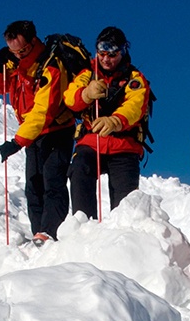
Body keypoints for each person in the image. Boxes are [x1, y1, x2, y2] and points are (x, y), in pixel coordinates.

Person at [0, 20, 75, 244]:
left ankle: (50, 232)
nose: (17, 55)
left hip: (56, 130)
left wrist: (16, 142)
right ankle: (38, 232)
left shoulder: (51, 66)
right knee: (33, 186)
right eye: (13, 51)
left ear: (33, 41)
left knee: (52, 182)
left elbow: (42, 111)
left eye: (22, 50)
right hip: (33, 133)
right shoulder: (16, 64)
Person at [63, 27, 152, 218]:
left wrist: (116, 120)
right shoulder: (87, 74)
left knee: (125, 205)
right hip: (91, 142)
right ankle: (83, 227)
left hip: (124, 145)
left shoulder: (134, 78)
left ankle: (122, 237)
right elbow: (70, 98)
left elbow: (135, 105)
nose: (105, 59)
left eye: (111, 54)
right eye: (102, 53)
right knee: (79, 172)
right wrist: (85, 94)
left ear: (122, 52)